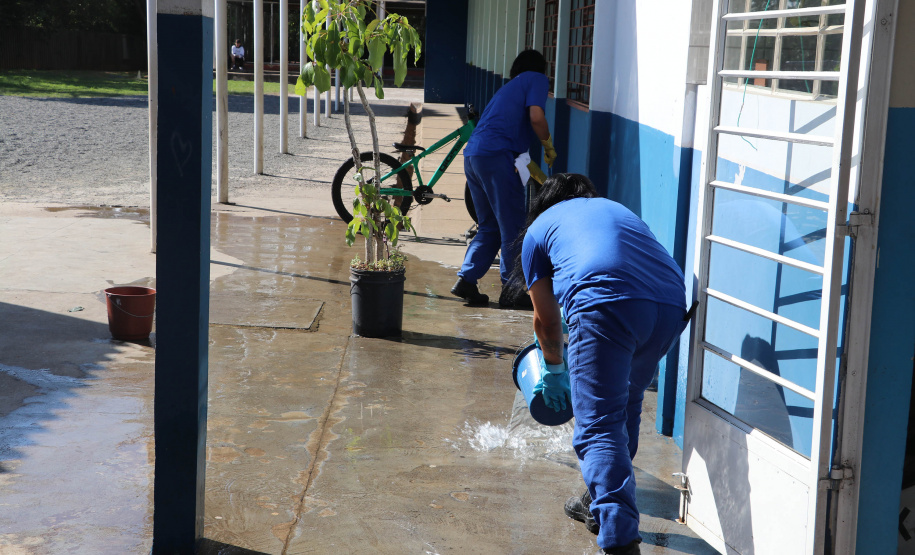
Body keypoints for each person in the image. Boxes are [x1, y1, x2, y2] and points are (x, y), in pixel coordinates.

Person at [517, 174, 688, 555]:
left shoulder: (537, 231)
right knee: (624, 406)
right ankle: (602, 505)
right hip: (670, 305)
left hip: (605, 303)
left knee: (597, 425)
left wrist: (555, 371)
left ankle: (618, 538)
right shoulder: (615, 209)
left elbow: (545, 319)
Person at [450, 49, 557, 308]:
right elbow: (536, 117)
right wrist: (548, 145)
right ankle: (512, 289)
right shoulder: (536, 79)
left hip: (474, 156)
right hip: (497, 157)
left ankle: (467, 279)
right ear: (540, 68)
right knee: (513, 226)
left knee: (489, 225)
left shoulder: (510, 88)